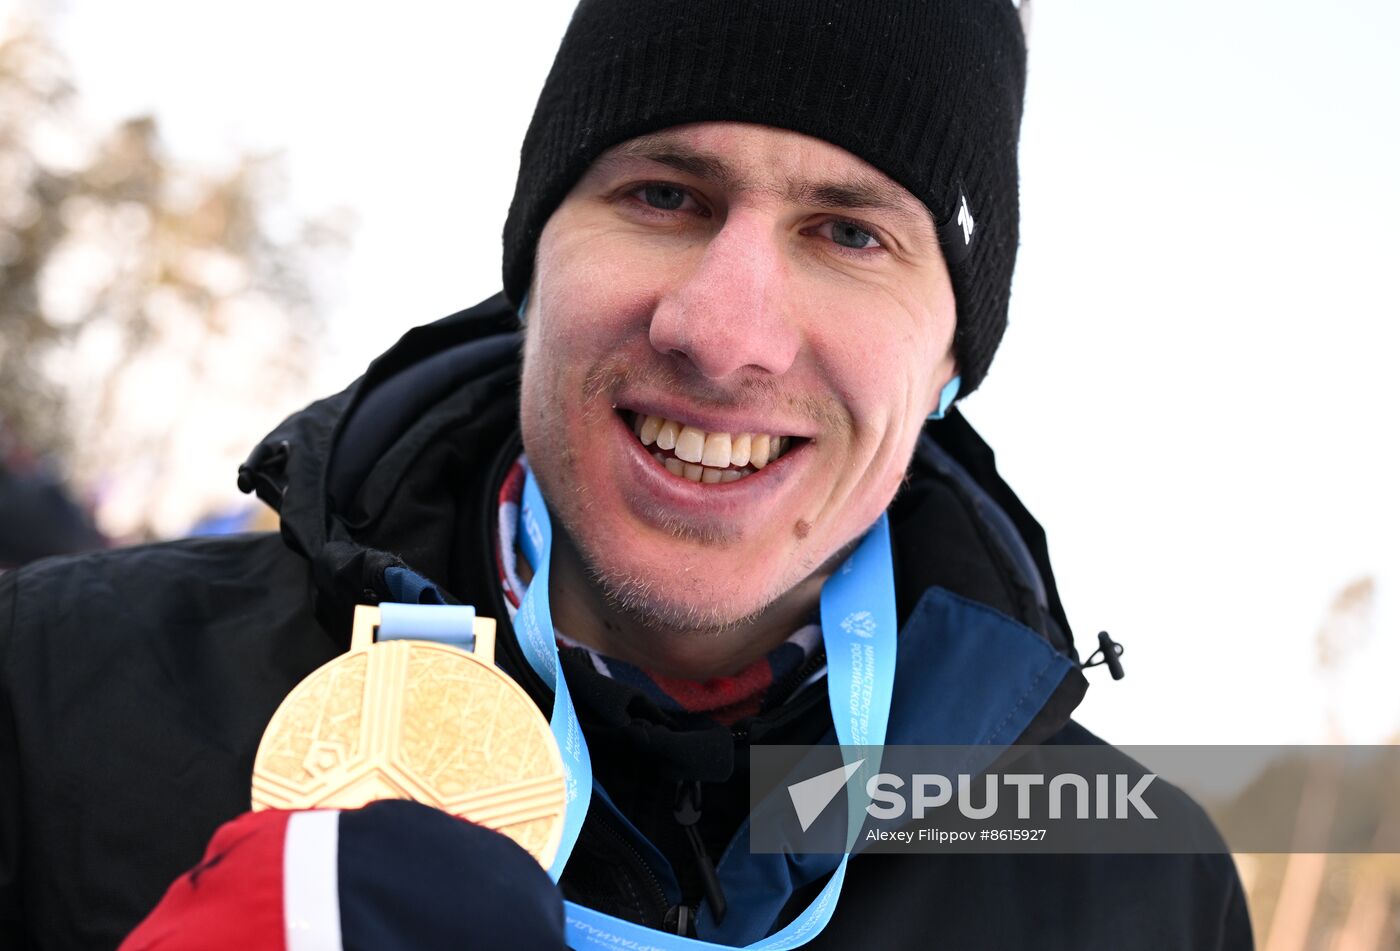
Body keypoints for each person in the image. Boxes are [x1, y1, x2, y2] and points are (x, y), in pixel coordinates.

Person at [0, 0, 1253, 947]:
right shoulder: (54, 691)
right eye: (663, 194)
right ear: (533, 267)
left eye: (849, 233)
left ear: (948, 366)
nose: (723, 330)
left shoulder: (1132, 881)